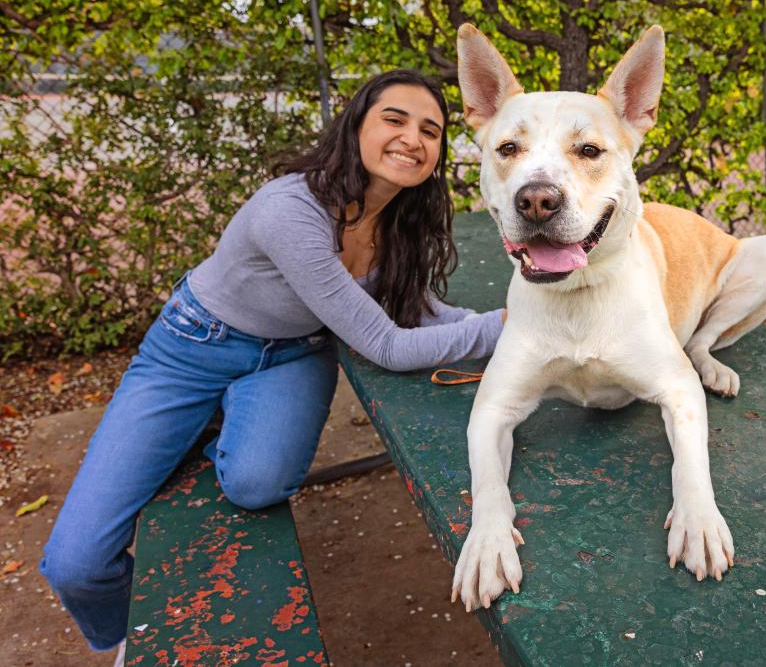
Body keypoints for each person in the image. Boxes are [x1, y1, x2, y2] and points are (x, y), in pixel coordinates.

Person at [40, 69, 505, 656]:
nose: (413, 138)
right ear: (356, 124)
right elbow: (384, 346)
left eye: (431, 131)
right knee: (76, 564)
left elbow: (419, 311)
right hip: (191, 351)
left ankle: (220, 423)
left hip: (295, 354)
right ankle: (133, 636)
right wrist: (512, 328)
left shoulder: (397, 217)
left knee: (257, 485)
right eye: (394, 119)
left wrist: (493, 323)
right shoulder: (292, 209)